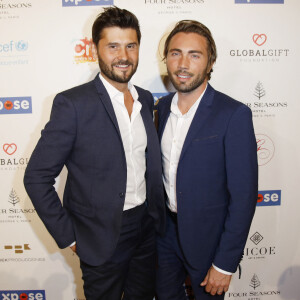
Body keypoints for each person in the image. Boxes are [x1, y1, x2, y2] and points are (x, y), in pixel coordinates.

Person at [23, 7, 165, 300]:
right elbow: (36, 177)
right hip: (100, 237)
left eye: (130, 46)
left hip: (146, 230)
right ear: (95, 49)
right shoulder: (73, 105)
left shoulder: (146, 99)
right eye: (112, 46)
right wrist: (70, 237)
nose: (123, 55)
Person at [155, 20, 258, 299]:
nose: (183, 63)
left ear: (210, 61)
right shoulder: (161, 109)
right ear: (167, 59)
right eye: (176, 53)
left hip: (210, 242)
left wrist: (225, 263)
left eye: (194, 55)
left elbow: (244, 197)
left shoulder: (233, 115)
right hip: (164, 237)